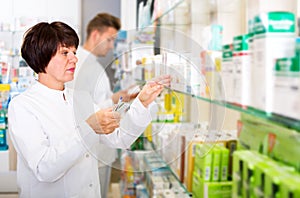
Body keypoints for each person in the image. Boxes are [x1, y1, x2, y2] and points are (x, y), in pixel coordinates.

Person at [8, 21, 170, 198]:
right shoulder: (23, 106)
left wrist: (142, 103)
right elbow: (44, 168)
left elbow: (120, 138)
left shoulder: (81, 98)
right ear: (42, 56)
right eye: (65, 53)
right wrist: (88, 128)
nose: (74, 58)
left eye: (74, 52)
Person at [65, 13, 135, 198]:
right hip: (94, 152)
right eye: (110, 39)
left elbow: (96, 101)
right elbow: (87, 110)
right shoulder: (81, 65)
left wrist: (119, 99)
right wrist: (118, 102)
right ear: (95, 35)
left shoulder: (90, 65)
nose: (112, 46)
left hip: (98, 148)